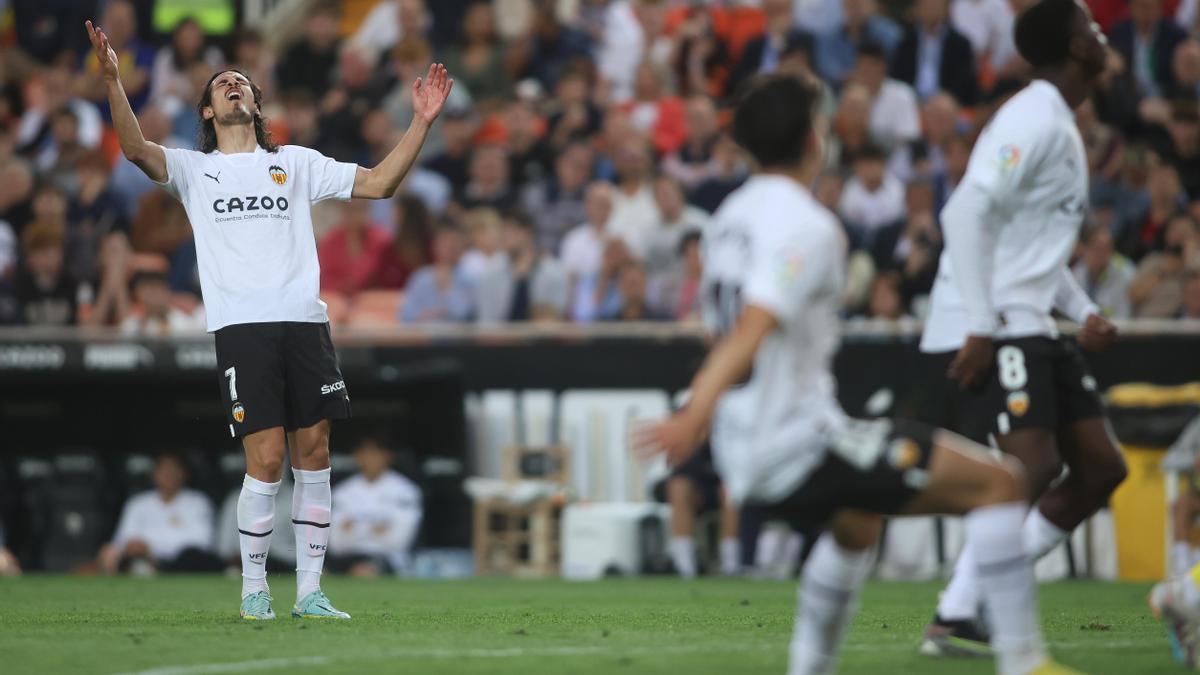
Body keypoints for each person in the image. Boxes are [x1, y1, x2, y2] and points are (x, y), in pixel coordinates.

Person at [636, 73, 1070, 675]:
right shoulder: (807, 227)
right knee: (1000, 483)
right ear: (815, 140)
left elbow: (723, 329)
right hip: (794, 440)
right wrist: (694, 414)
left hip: (748, 438)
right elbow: (753, 326)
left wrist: (709, 411)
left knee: (858, 520)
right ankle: (1026, 664)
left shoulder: (727, 218)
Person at [86, 17, 452, 620]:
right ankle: (254, 587)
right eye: (222, 84)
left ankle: (309, 592)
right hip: (243, 328)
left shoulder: (296, 163)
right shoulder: (194, 172)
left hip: (305, 323)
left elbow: (382, 183)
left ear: (256, 104)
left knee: (316, 449)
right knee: (266, 459)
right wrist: (113, 80)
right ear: (206, 111)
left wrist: (421, 121)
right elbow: (133, 149)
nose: (233, 87)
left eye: (242, 83)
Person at [915, 0, 1128, 657]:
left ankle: (970, 604)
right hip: (996, 320)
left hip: (1030, 317)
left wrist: (1081, 307)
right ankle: (957, 611)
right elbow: (964, 215)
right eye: (1091, 27)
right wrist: (981, 322)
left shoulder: (1059, 123)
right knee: (1030, 463)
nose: (1101, 34)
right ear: (1074, 48)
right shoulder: (1030, 117)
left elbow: (1029, 245)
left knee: (1099, 468)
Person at [98, 452, 220, 575]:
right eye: (163, 470)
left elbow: (202, 542)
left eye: (173, 469)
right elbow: (122, 539)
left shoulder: (198, 502)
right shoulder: (137, 503)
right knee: (109, 552)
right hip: (144, 560)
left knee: (192, 557)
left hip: (182, 564)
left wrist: (151, 547)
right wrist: (132, 548)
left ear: (184, 473)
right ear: (154, 474)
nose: (168, 475)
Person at [329, 435, 423, 576]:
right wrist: (374, 529)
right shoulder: (342, 492)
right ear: (357, 456)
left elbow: (399, 541)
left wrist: (354, 528)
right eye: (365, 453)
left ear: (387, 456)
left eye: (375, 453)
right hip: (346, 558)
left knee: (364, 571)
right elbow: (335, 543)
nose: (370, 459)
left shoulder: (406, 491)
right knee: (321, 575)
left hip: (389, 560)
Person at [119, 269, 205, 336]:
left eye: (158, 289)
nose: (154, 295)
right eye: (149, 290)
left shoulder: (184, 322)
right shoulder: (131, 324)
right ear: (138, 293)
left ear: (167, 291)